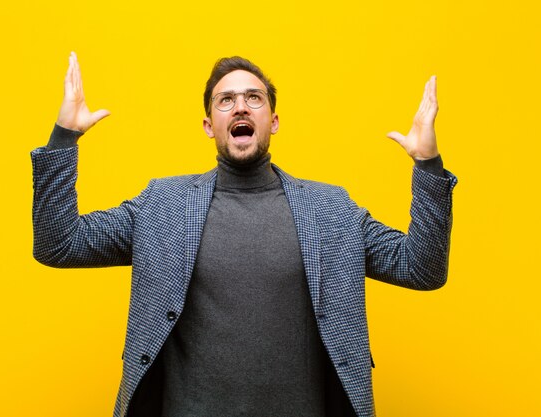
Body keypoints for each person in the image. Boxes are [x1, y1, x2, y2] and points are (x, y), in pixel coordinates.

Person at [31, 52, 457, 417]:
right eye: (226, 100)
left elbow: (421, 268)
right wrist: (64, 138)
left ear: (272, 121)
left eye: (253, 98)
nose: (240, 107)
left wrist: (428, 166)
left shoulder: (331, 210)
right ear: (207, 124)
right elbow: (60, 243)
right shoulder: (161, 205)